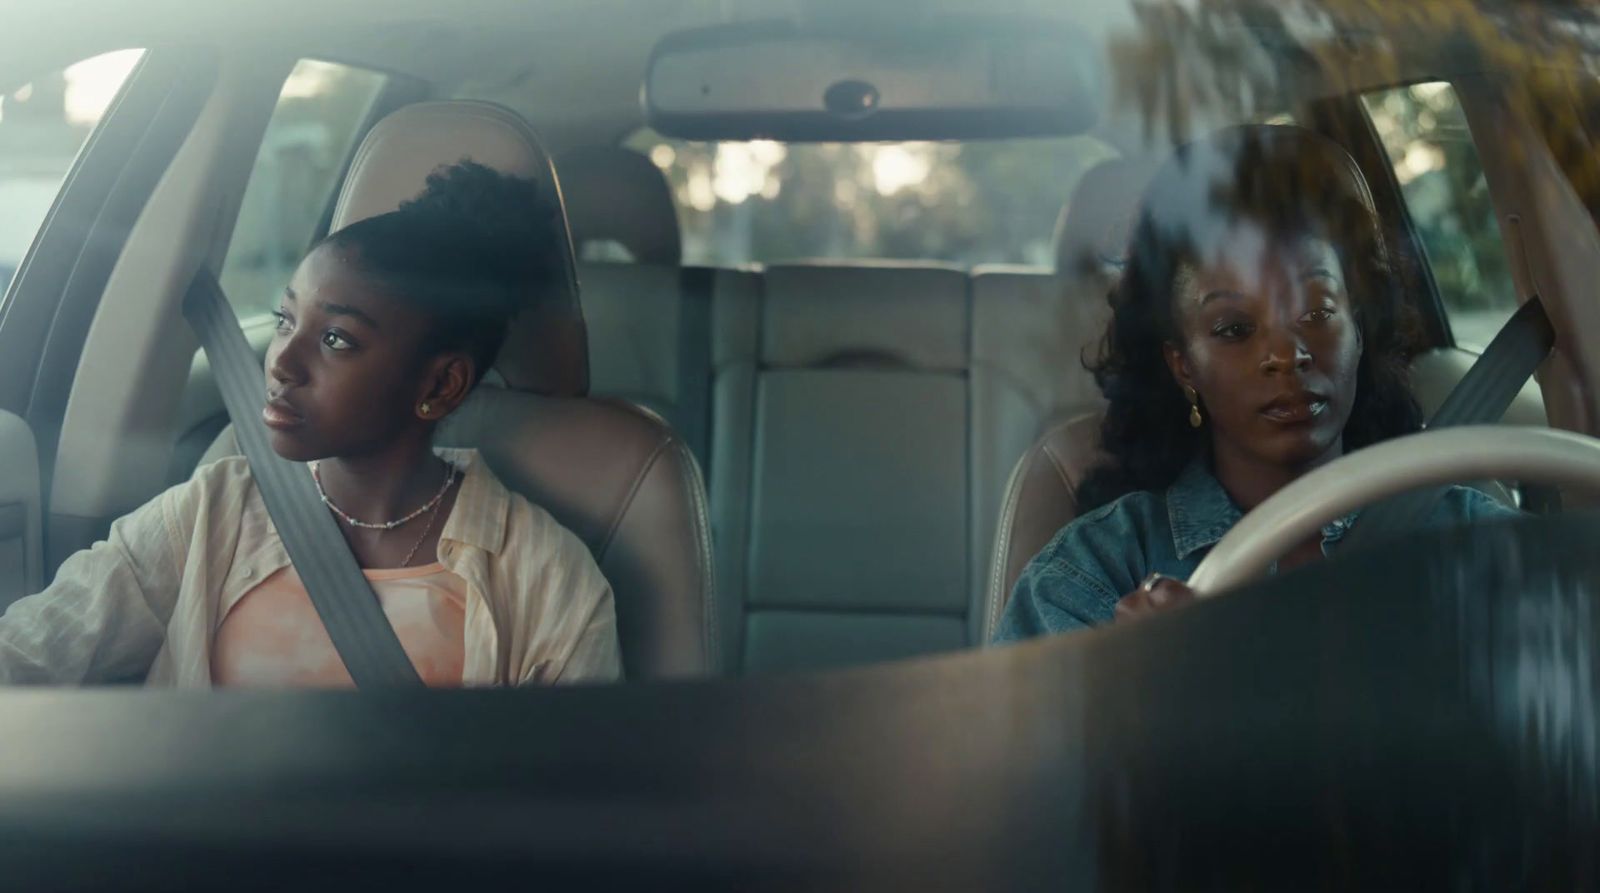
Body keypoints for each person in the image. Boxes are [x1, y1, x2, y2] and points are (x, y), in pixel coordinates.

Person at [0, 162, 621, 687]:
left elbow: (578, 800)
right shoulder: (210, 512)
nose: (282, 363)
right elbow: (29, 651)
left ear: (439, 384)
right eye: (284, 320)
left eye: (335, 339)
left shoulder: (544, 575)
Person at [994, 125, 1518, 640]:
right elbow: (1025, 728)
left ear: (1357, 326)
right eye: (1235, 330)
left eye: (1316, 312)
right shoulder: (1091, 575)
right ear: (1183, 366)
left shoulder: (1471, 539)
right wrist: (1133, 690)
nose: (1287, 355)